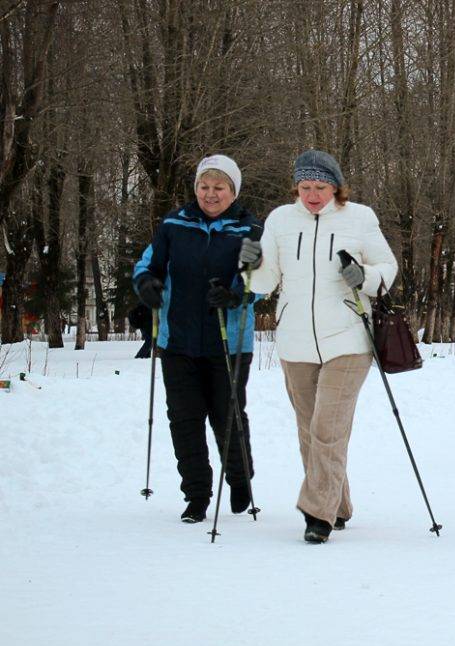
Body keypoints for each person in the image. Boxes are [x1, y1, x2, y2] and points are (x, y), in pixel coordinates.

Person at [243, 149, 398, 544]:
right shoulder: (279, 220)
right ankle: (338, 504)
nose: (313, 194)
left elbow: (387, 270)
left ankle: (317, 514)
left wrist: (362, 276)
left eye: (321, 186)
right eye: (306, 186)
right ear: (296, 186)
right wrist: (248, 266)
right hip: (295, 341)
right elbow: (263, 283)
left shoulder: (360, 218)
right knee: (309, 430)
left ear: (336, 187)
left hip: (348, 338)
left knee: (328, 427)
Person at [132, 154, 260, 523]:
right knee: (184, 420)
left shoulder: (249, 229)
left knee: (228, 416)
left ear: (233, 191)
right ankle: (197, 494)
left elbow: (259, 276)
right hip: (178, 340)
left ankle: (239, 479)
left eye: (219, 187)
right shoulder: (174, 224)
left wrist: (237, 294)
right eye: (204, 186)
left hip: (229, 341)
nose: (210, 193)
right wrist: (146, 284)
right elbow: (148, 263)